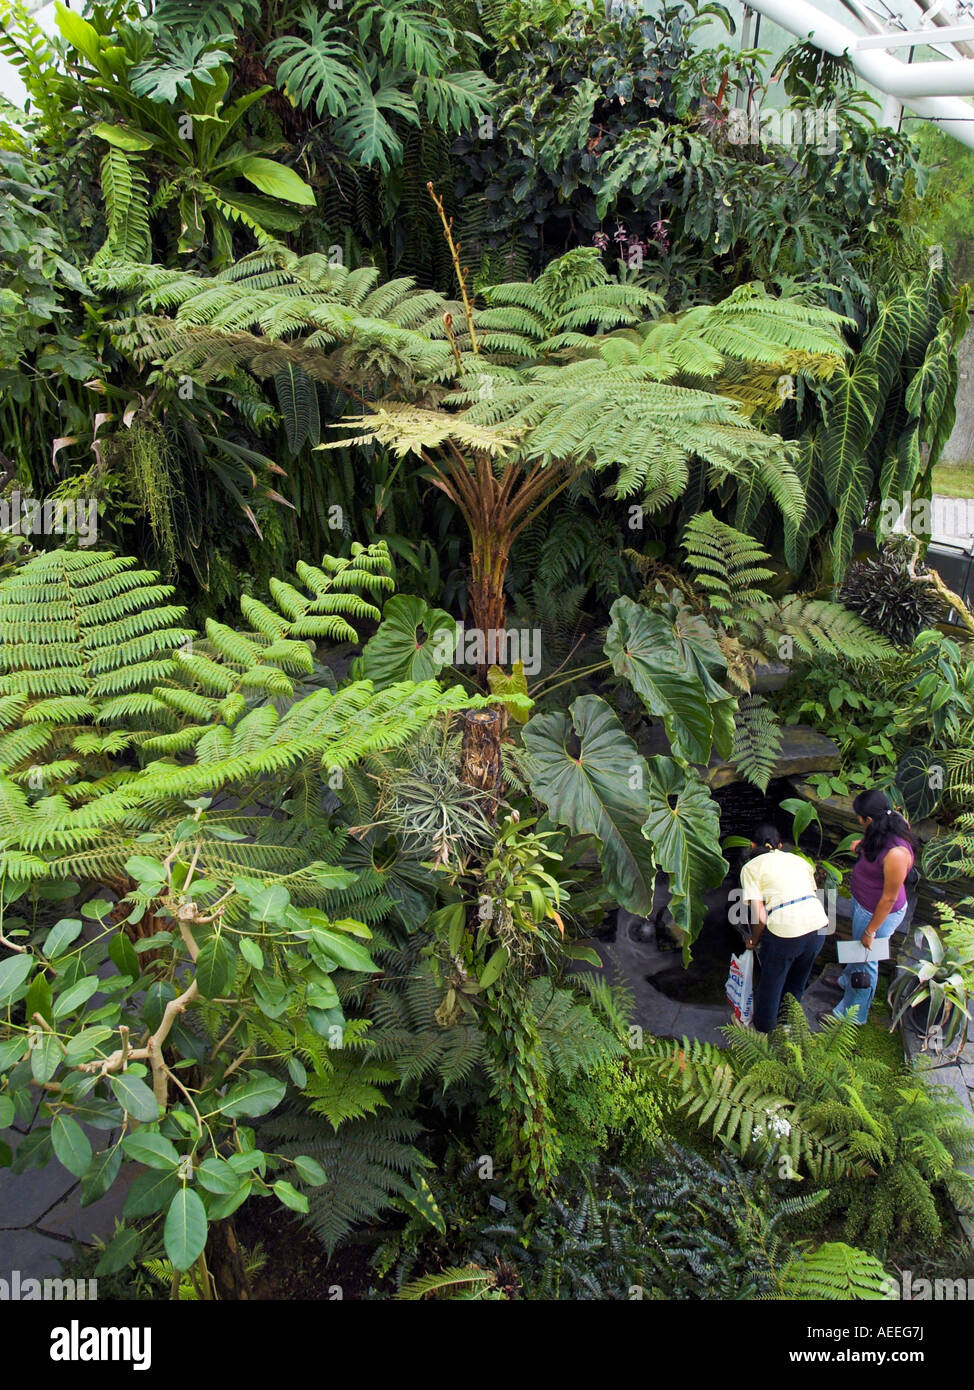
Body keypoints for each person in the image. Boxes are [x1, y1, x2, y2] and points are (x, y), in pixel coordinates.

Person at [827, 788, 918, 1026]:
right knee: (858, 951)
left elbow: (889, 898)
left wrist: (871, 931)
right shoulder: (889, 823)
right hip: (864, 902)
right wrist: (861, 846)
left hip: (878, 914)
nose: (857, 820)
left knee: (867, 963)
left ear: (868, 819)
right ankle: (846, 980)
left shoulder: (897, 854)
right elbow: (875, 841)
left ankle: (851, 1015)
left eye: (859, 817)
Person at [741, 821, 830, 1033]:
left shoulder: (751, 868)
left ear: (753, 846)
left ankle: (764, 1031)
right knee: (798, 980)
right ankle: (789, 1025)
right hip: (818, 926)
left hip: (786, 931)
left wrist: (753, 940)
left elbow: (760, 916)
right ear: (780, 846)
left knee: (771, 984)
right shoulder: (799, 861)